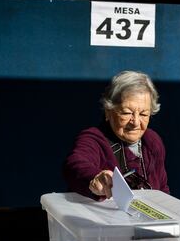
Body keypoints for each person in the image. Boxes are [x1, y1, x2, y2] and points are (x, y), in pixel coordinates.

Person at [64, 70, 169, 200]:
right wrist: (95, 178)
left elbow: (163, 190)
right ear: (108, 112)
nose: (135, 122)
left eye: (143, 114)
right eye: (126, 113)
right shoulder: (94, 138)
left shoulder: (153, 141)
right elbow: (75, 164)